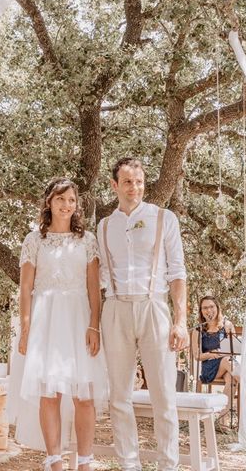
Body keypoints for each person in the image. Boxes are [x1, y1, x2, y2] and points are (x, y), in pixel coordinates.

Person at [98, 157, 188, 471]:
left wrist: (181, 321)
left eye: (139, 181)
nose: (134, 187)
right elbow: (101, 276)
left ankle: (168, 466)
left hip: (154, 307)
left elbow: (177, 273)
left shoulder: (164, 218)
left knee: (163, 394)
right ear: (114, 185)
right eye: (127, 181)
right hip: (116, 308)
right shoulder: (105, 226)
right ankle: (129, 465)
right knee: (119, 397)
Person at [13, 177, 109, 471]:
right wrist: (26, 330)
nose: (66, 205)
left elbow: (94, 289)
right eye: (60, 199)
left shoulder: (87, 240)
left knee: (84, 394)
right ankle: (54, 459)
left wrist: (94, 325)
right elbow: (25, 288)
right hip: (46, 321)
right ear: (49, 203)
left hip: (79, 319)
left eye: (71, 200)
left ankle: (84, 460)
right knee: (49, 393)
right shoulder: (34, 241)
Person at [191, 295, 237, 422]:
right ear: (201, 311)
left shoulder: (227, 325)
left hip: (228, 365)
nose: (208, 310)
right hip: (210, 368)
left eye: (211, 306)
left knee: (232, 379)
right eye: (204, 308)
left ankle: (223, 419)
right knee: (227, 361)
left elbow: (234, 350)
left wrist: (224, 353)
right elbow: (197, 356)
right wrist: (212, 354)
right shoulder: (198, 330)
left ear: (217, 307)